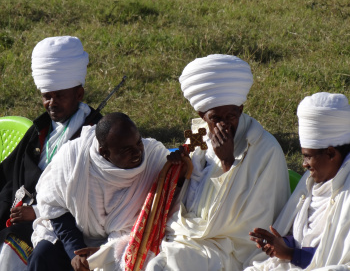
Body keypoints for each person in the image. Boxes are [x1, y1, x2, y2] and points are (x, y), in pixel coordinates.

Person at [145, 54, 290, 271]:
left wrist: (227, 162)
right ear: (202, 115)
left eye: (231, 116)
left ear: (240, 109)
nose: (224, 125)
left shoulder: (264, 148)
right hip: (187, 232)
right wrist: (180, 166)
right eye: (215, 118)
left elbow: (251, 221)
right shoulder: (199, 135)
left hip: (231, 246)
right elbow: (188, 184)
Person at [0, 36, 102, 271]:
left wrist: (35, 212)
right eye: (47, 96)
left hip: (60, 224)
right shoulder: (41, 128)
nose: (51, 103)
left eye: (59, 96)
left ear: (79, 94)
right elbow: (9, 174)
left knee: (11, 251)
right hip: (18, 214)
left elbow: (89, 197)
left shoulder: (95, 134)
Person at [27, 112, 169, 271]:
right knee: (43, 256)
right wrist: (76, 252)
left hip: (125, 244)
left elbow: (173, 193)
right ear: (104, 152)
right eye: (126, 149)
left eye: (138, 142)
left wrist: (105, 253)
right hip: (74, 237)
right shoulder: (73, 157)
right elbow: (55, 207)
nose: (137, 152)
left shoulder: (154, 157)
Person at [244, 92, 350, 271]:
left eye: (308, 157)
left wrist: (291, 254)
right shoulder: (311, 182)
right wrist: (280, 244)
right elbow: (304, 237)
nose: (304, 164)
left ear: (331, 153)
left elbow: (336, 258)